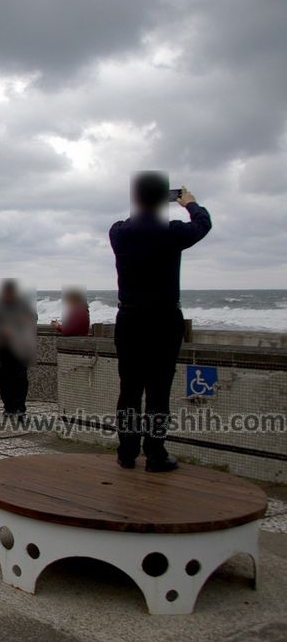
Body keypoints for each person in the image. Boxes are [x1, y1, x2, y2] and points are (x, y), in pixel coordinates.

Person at [109, 172, 211, 472]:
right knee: (158, 391)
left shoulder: (118, 232)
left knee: (129, 389)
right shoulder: (172, 232)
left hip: (129, 320)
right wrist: (190, 203)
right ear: (162, 199)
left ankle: (126, 452)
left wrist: (143, 204)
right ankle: (155, 454)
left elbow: (133, 223)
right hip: (165, 320)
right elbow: (203, 225)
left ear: (135, 198)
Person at [0, 279, 38, 416]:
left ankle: (20, 407)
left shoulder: (23, 303)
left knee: (21, 376)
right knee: (4, 377)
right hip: (3, 347)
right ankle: (8, 407)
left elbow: (34, 318)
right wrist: (1, 329)